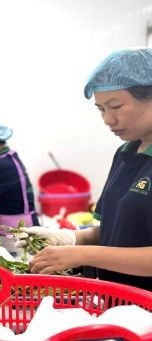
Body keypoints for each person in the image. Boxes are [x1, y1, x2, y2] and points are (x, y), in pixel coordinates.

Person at [22, 48, 152, 291]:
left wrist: (84, 255)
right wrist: (70, 239)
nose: (107, 120)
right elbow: (117, 231)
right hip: (119, 301)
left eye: (116, 106)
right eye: (101, 109)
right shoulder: (126, 153)